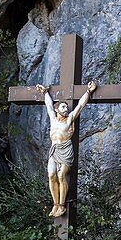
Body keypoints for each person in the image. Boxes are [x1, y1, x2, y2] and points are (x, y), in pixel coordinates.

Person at [36, 81, 96, 218]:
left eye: (66, 107)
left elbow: (80, 105)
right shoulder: (53, 118)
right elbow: (49, 105)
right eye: (63, 107)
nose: (65, 109)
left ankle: (62, 205)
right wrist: (45, 92)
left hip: (66, 149)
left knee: (61, 175)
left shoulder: (69, 119)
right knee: (51, 175)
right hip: (54, 149)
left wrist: (88, 91)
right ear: (58, 110)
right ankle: (56, 204)